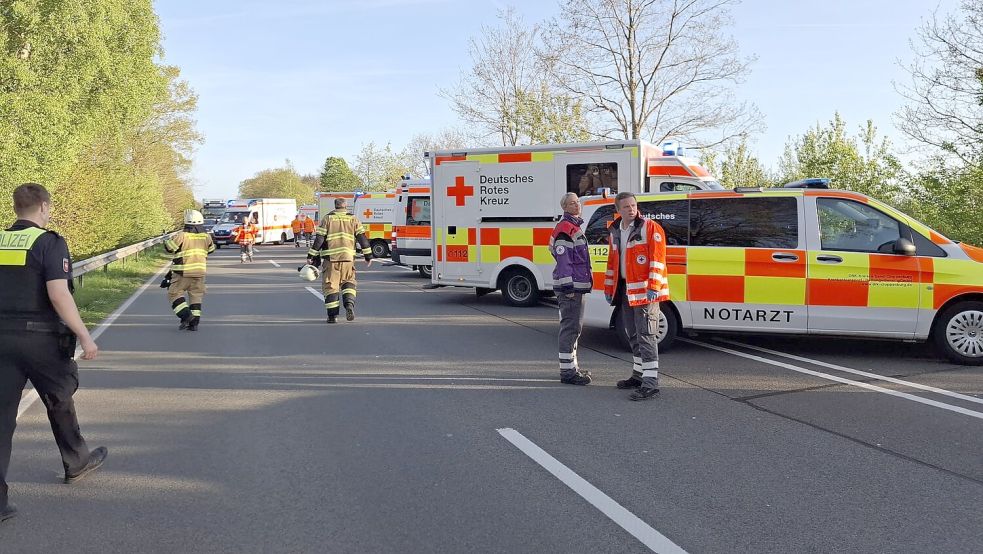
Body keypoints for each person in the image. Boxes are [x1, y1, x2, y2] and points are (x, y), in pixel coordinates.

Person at [0, 183, 108, 524]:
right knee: (60, 397)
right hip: (40, 340)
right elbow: (59, 295)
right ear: (44, 207)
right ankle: (76, 462)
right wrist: (85, 337)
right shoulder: (49, 242)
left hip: (1, 340)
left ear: (15, 208)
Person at [604, 192, 668, 401]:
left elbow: (658, 259)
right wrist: (609, 289)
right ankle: (638, 376)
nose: (631, 209)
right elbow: (612, 262)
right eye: (626, 206)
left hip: (646, 291)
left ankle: (650, 384)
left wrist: (654, 286)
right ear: (618, 210)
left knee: (646, 335)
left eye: (633, 205)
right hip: (626, 289)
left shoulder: (649, 227)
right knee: (632, 334)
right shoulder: (615, 230)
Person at [550, 192, 593, 386]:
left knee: (574, 329)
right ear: (565, 207)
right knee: (570, 329)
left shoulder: (572, 226)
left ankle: (572, 367)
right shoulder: (566, 229)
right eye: (572, 203)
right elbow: (564, 260)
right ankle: (567, 372)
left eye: (577, 202)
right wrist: (568, 288)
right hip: (571, 288)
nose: (577, 205)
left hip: (576, 287)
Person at [307, 198, 372, 324]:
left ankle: (332, 317)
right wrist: (368, 256)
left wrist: (311, 255)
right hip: (348, 259)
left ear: (335, 206)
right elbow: (362, 238)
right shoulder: (353, 219)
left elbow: (319, 239)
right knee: (349, 283)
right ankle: (349, 305)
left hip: (331, 260)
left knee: (331, 287)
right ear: (346, 206)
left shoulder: (327, 219)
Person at [164, 209, 216, 331]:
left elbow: (170, 248)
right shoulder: (206, 236)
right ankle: (194, 324)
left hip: (182, 272)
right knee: (196, 296)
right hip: (200, 272)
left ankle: (187, 316)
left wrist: (166, 240)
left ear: (186, 222)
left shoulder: (182, 236)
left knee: (174, 294)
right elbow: (211, 250)